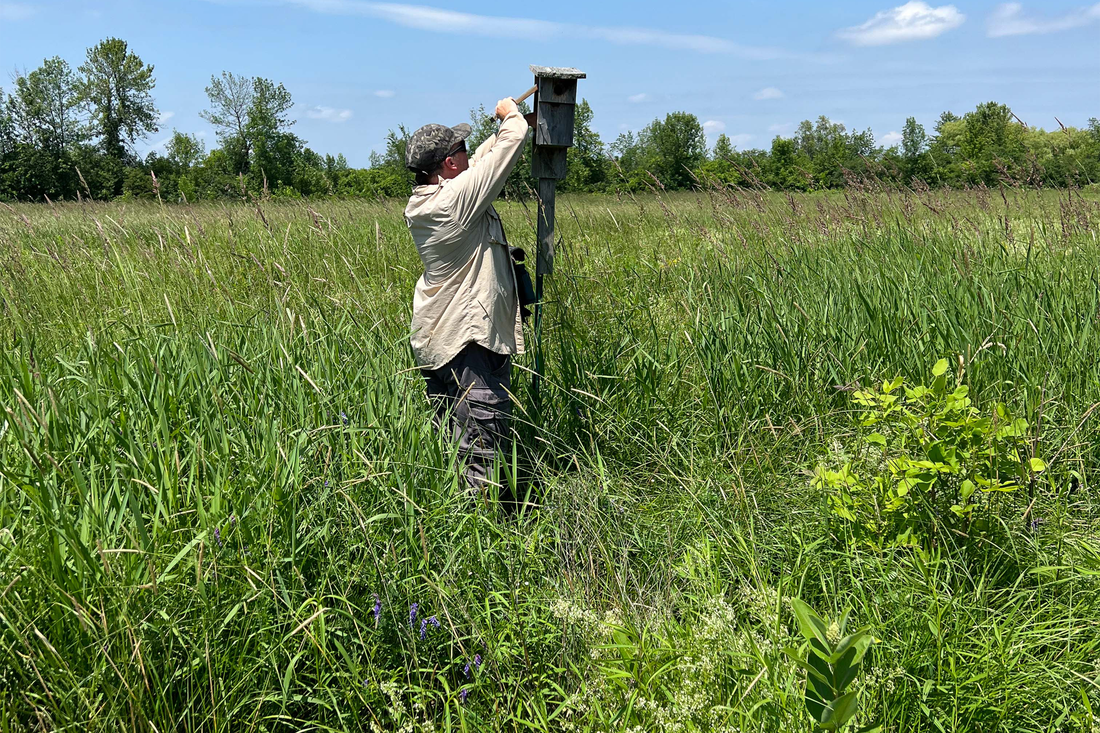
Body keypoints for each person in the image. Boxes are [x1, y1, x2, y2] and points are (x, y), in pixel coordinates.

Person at [404, 96, 530, 496]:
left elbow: (479, 161)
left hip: (439, 340)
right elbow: (513, 140)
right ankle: (489, 545)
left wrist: (493, 132)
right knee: (484, 451)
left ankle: (462, 530)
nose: (465, 153)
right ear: (447, 165)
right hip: (468, 341)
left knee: (457, 447)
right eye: (458, 149)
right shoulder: (456, 201)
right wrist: (510, 114)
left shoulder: (431, 199)